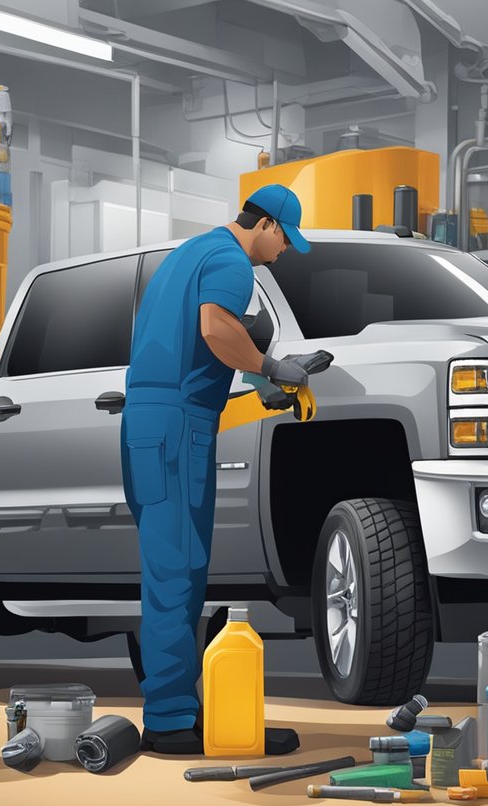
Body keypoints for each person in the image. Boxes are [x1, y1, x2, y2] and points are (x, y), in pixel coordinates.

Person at [121, 184, 314, 755]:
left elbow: (185, 353)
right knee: (175, 576)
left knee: (175, 576)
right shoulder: (233, 261)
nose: (282, 254)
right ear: (268, 226)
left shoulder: (189, 255)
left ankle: (187, 709)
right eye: (285, 242)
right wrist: (272, 363)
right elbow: (214, 329)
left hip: (154, 421)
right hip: (176, 430)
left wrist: (260, 385)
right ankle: (169, 722)